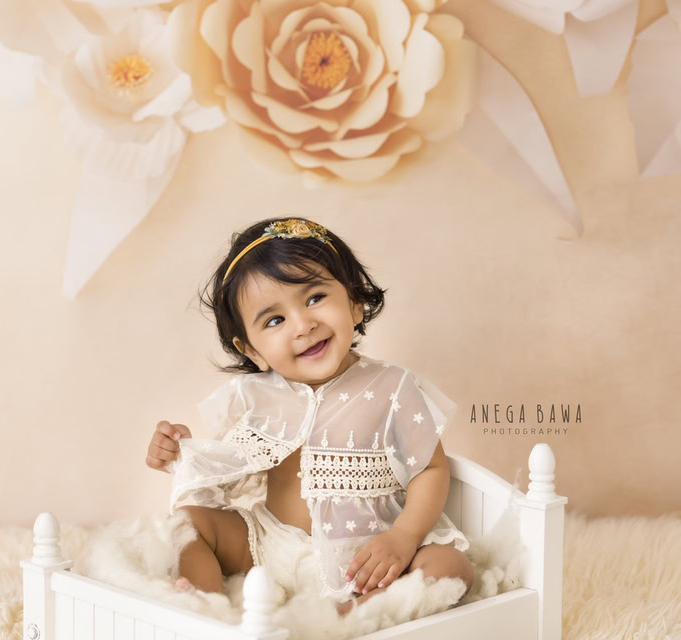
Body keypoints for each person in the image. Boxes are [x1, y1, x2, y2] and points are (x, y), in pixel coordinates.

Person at [145, 217, 473, 616]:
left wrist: (404, 536)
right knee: (187, 524)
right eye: (274, 320)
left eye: (315, 297)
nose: (304, 325)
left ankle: (353, 616)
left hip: (366, 557)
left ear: (354, 302)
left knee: (449, 566)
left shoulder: (391, 386)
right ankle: (206, 610)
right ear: (252, 349)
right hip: (269, 547)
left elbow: (431, 469)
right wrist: (180, 450)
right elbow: (225, 471)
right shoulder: (253, 396)